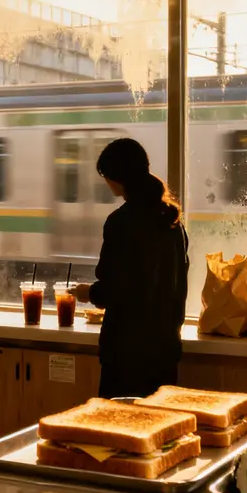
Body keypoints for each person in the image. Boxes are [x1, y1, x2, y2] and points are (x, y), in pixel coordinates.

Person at [75, 138, 189, 399]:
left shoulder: (121, 222)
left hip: (126, 354)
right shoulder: (172, 221)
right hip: (165, 350)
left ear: (115, 177)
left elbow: (115, 289)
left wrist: (88, 293)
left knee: (119, 430)